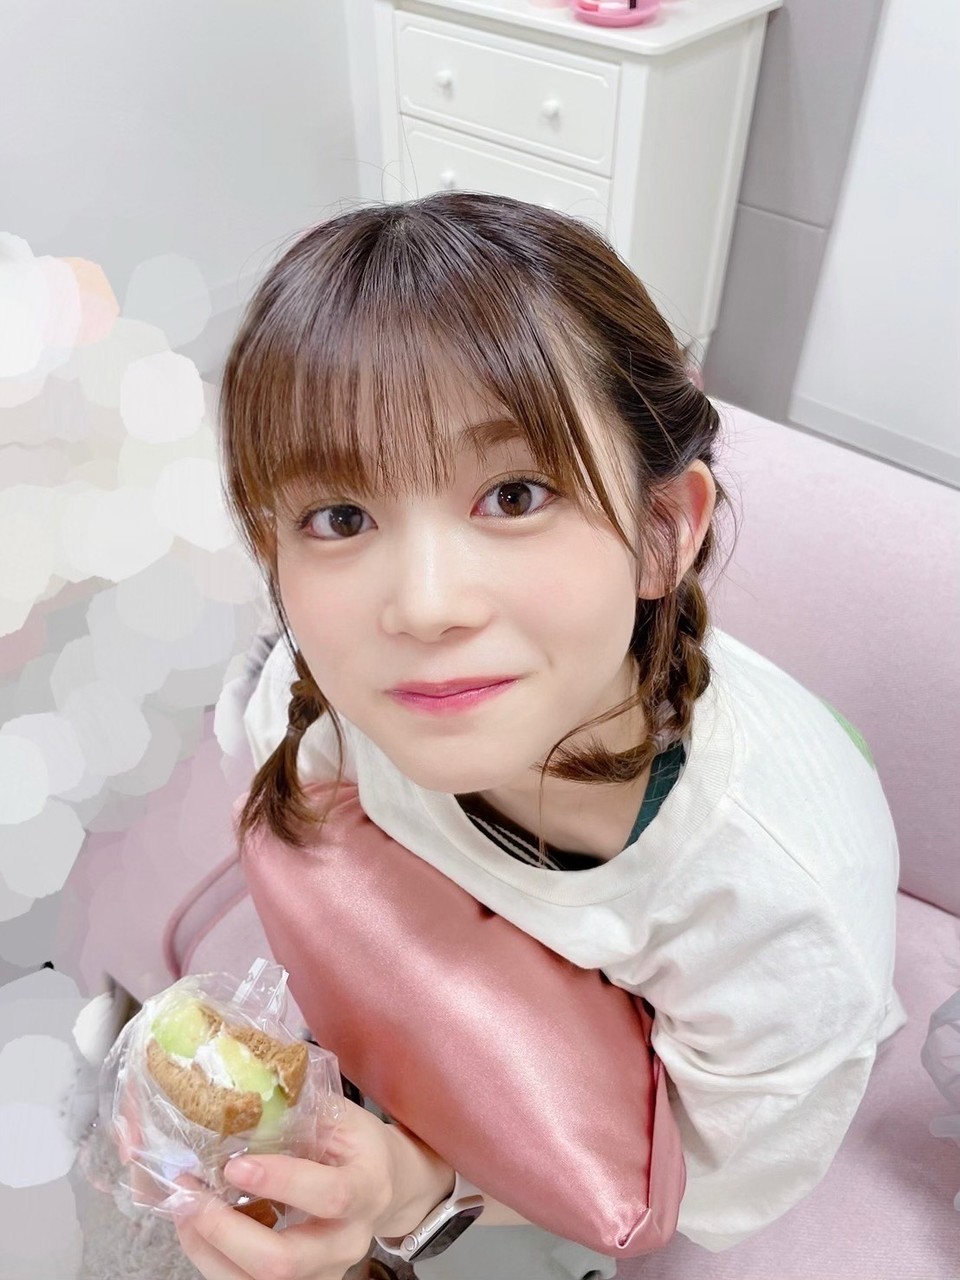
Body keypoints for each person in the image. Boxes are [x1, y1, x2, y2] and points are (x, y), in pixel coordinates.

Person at [175, 192, 906, 1280]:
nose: (424, 607)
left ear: (663, 530)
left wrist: (419, 1187)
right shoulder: (316, 692)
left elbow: (700, 1185)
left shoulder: (777, 913)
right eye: (341, 517)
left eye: (514, 495)